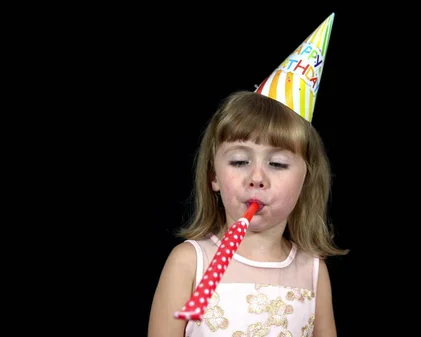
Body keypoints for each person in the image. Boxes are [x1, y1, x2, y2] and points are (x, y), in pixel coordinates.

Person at [148, 13, 349, 337]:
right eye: (240, 161)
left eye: (278, 164)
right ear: (213, 175)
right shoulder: (188, 262)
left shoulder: (312, 271)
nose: (257, 177)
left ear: (306, 180)